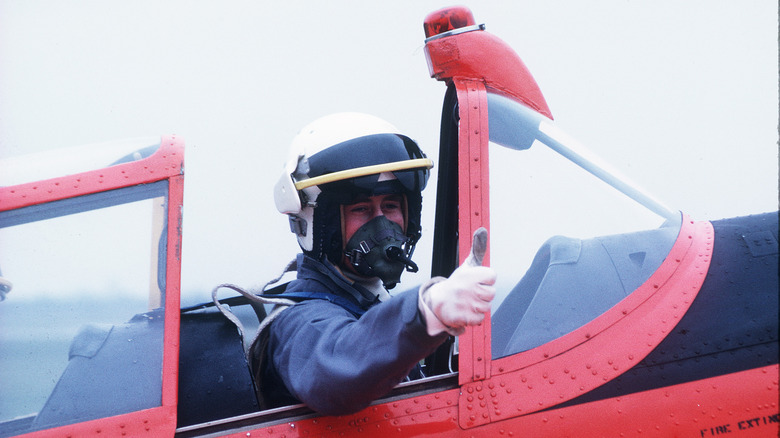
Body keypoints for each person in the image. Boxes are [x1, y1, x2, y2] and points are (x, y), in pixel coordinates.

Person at [252, 113, 496, 416]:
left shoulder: (367, 301)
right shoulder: (297, 324)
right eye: (360, 208)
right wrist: (426, 311)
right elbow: (337, 368)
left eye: (391, 205)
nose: (382, 225)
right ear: (317, 223)